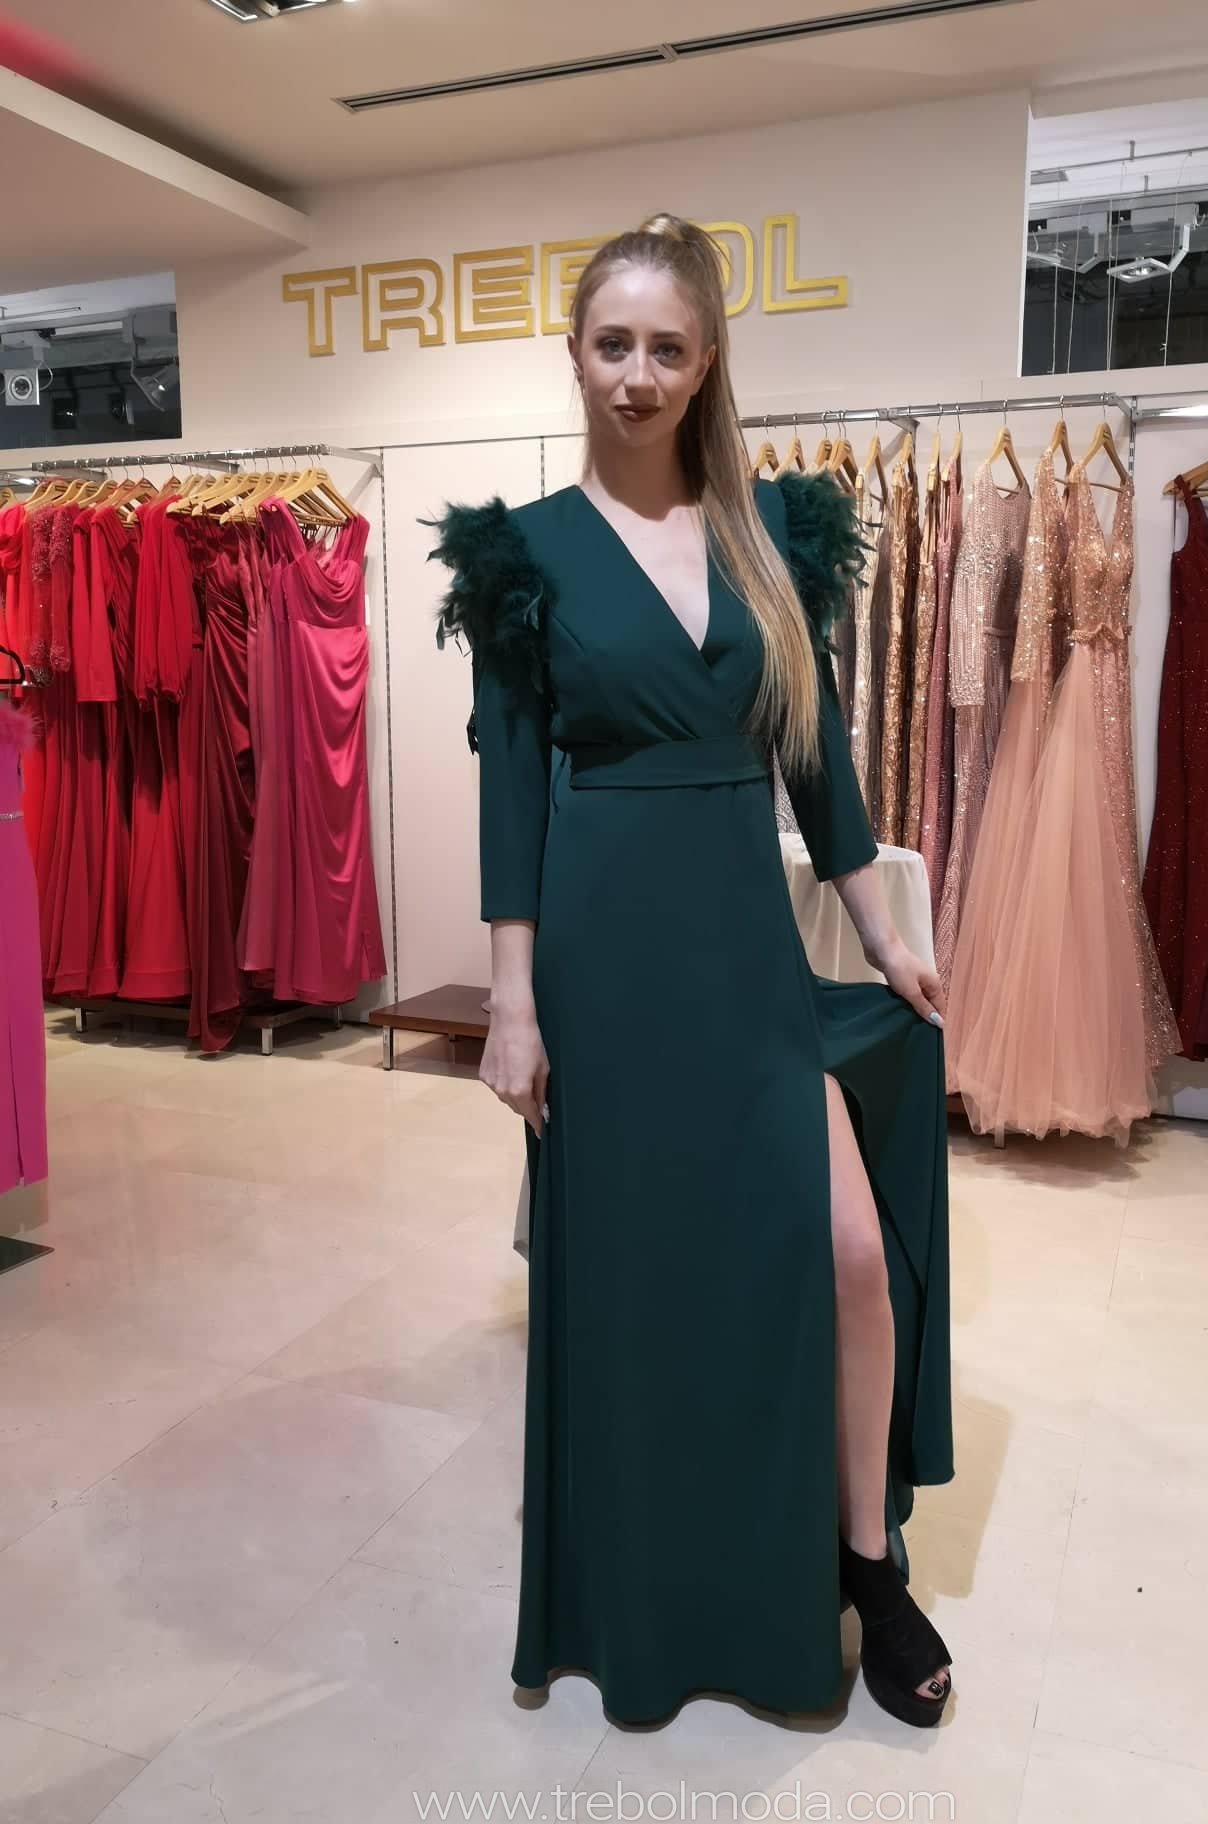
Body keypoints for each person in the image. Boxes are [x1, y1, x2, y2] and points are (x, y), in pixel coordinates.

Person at [430, 214, 954, 1729]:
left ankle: (865, 1560)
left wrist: (885, 934)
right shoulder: (520, 556)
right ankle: (655, 1586)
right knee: (643, 1290)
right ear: (576, 354)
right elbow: (513, 785)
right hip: (601, 952)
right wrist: (513, 1002)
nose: (638, 375)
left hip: (740, 953)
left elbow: (822, 772)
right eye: (613, 344)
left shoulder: (772, 540)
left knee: (848, 1257)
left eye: (667, 347)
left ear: (709, 358)